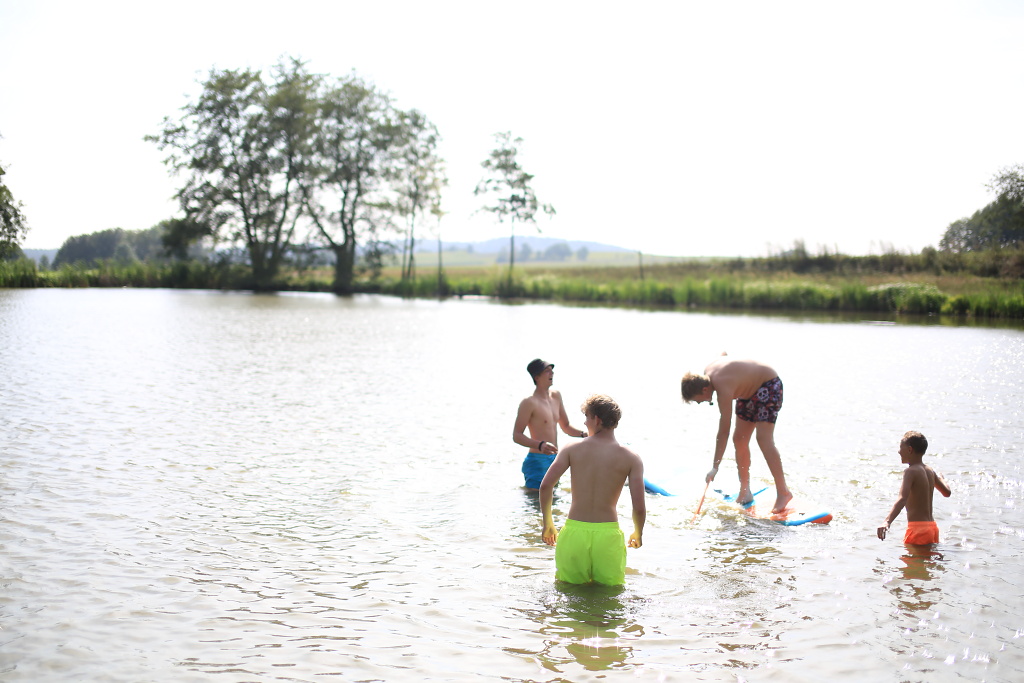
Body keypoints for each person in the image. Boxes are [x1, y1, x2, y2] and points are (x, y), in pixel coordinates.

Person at [539, 394, 646, 586]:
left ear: (597, 420)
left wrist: (548, 523)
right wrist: (638, 532)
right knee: (610, 596)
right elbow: (638, 507)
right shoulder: (631, 457)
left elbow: (546, 486)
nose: (584, 422)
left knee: (568, 593)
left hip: (574, 532)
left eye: (586, 417)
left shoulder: (572, 449)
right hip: (608, 535)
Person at [680, 355, 793, 513]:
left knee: (763, 439)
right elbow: (724, 356)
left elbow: (724, 428)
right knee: (739, 439)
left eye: (698, 400)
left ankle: (784, 492)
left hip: (768, 385)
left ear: (704, 389)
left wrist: (715, 467)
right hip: (747, 393)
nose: (700, 403)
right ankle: (745, 491)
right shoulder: (707, 374)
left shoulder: (722, 387)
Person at [513, 359, 587, 490]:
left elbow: (566, 426)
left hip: (555, 459)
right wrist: (540, 445)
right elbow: (517, 435)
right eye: (547, 371)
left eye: (551, 370)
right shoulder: (529, 402)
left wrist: (585, 435)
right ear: (537, 377)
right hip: (537, 460)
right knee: (536, 503)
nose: (551, 373)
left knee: (553, 501)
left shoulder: (556, 396)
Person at [877, 430, 952, 545]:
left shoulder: (910, 472)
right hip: (932, 528)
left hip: (918, 529)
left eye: (900, 448)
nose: (898, 452)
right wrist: (942, 479)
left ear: (910, 450)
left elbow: (902, 499)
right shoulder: (930, 470)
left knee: (911, 562)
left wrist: (887, 522)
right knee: (927, 562)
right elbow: (947, 492)